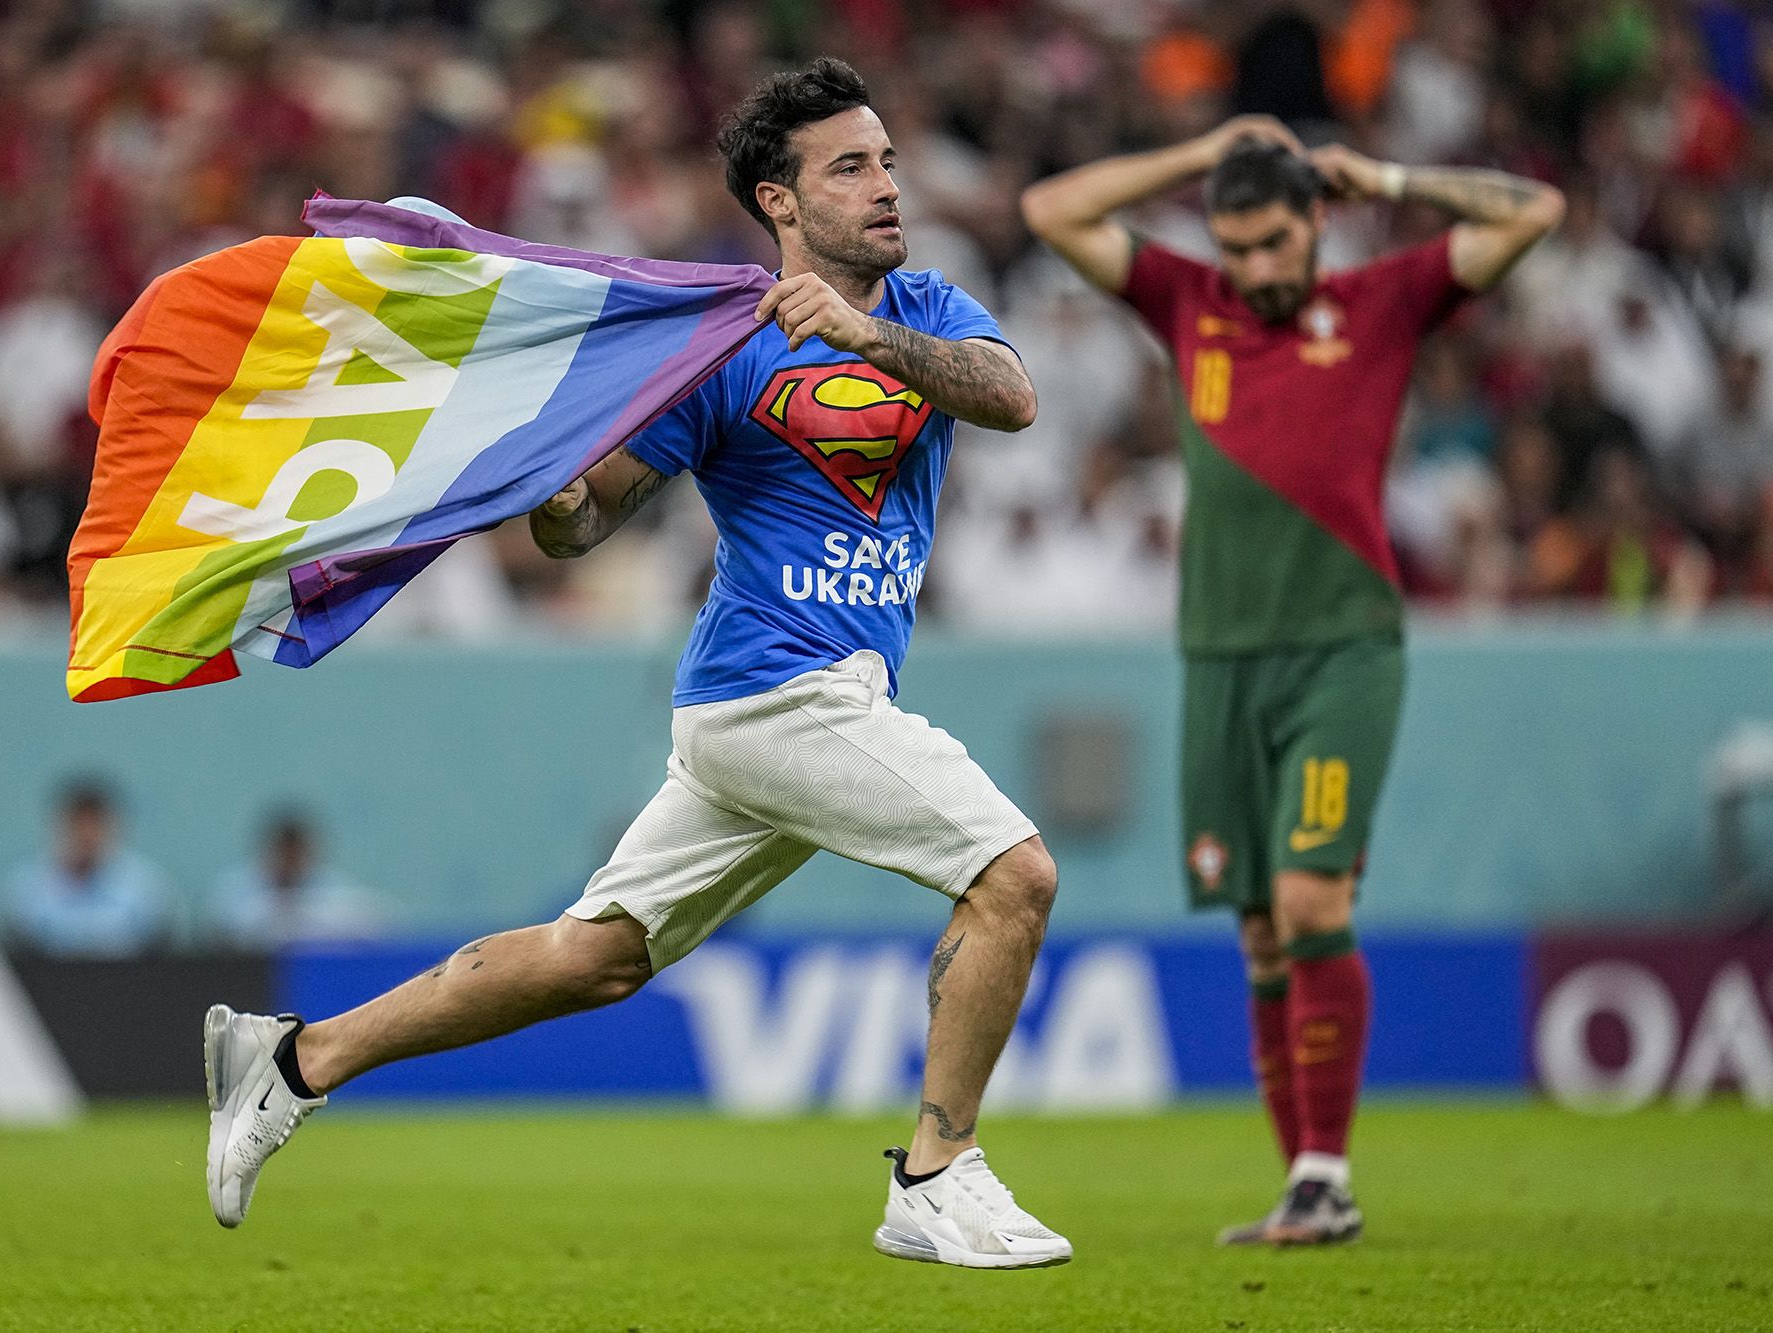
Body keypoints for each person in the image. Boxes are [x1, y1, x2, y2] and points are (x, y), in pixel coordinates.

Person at [204, 57, 1070, 1270]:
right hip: (775, 689)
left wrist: (863, 331)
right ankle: (933, 1173)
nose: (885, 185)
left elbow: (1011, 397)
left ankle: (293, 1059)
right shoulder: (717, 350)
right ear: (778, 202)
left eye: (884, 160)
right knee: (1013, 876)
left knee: (593, 956)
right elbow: (582, 521)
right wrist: (548, 487)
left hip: (790, 706)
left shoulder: (925, 310)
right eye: (849, 167)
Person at [1023, 118, 1562, 1245]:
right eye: (1235, 248)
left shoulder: (1383, 301)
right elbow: (1049, 212)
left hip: (1340, 650)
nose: (1256, 270)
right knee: (1262, 932)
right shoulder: (1188, 301)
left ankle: (1325, 1174)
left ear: (1316, 220)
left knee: (1314, 898)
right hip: (1216, 658)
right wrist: (1194, 152)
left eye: (1272, 242)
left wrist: (1390, 179)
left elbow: (1533, 214)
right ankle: (1303, 1187)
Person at [3, 778, 168, 957]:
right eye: (78, 823)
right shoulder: (25, 889)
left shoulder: (145, 889)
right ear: (61, 826)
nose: (86, 834)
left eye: (95, 824)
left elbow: (161, 956)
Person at [208, 808, 388, 948]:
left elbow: (378, 924)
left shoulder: (333, 892)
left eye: (296, 852)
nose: (290, 859)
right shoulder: (233, 891)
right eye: (284, 852)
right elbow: (218, 933)